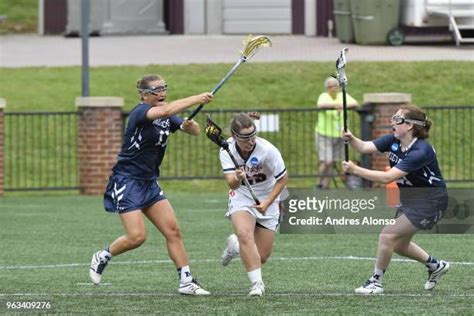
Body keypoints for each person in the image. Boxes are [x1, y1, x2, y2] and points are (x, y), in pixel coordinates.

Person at [89, 74, 213, 295]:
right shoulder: (140, 113)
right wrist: (197, 98)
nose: (162, 93)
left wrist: (189, 125)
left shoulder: (167, 114)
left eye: (164, 88)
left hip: (149, 182)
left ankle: (186, 281)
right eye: (156, 90)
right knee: (137, 237)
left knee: (173, 231)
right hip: (127, 180)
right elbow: (164, 112)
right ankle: (103, 255)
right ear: (144, 95)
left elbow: (192, 132)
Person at [342, 104, 449, 294]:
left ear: (409, 126)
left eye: (398, 119)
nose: (393, 122)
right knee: (399, 244)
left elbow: (387, 177)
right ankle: (435, 265)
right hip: (411, 199)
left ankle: (375, 282)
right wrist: (352, 139)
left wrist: (355, 170)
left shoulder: (420, 151)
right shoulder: (393, 140)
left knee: (387, 236)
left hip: (430, 202)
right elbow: (365, 147)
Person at [218, 112, 288, 297]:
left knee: (261, 256)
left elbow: (283, 180)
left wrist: (267, 202)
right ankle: (257, 285)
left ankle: (235, 247)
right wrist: (238, 178)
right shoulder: (226, 150)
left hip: (268, 197)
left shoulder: (267, 150)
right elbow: (231, 183)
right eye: (245, 138)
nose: (250, 141)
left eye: (252, 136)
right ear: (234, 137)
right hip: (242, 196)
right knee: (244, 234)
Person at [315, 77, 358, 189]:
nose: (333, 88)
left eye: (335, 86)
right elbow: (321, 105)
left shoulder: (342, 96)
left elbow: (355, 103)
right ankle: (319, 183)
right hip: (324, 134)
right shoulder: (324, 96)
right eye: (330, 87)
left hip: (338, 135)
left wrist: (343, 106)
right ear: (327, 88)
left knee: (332, 162)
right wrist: (335, 106)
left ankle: (325, 187)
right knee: (327, 161)